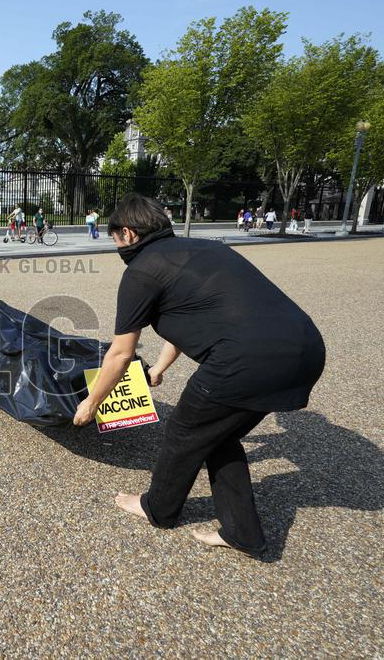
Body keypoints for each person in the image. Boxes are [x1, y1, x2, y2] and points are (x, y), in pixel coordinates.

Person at [73, 194, 324, 557]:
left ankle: (157, 508)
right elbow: (190, 317)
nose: (117, 247)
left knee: (185, 430)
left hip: (246, 360)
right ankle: (242, 533)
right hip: (306, 348)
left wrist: (92, 403)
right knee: (217, 433)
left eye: (115, 239)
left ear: (127, 233)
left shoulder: (141, 271)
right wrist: (159, 368)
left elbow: (121, 353)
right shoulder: (205, 249)